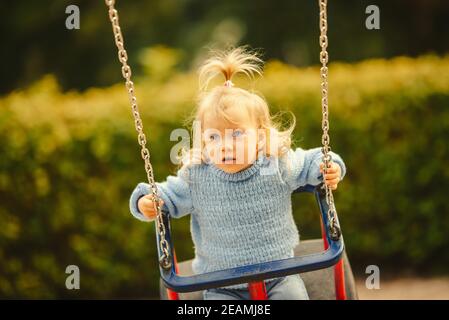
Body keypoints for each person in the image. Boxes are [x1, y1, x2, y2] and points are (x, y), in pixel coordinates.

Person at [129, 46, 346, 300]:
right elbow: (163, 194)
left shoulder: (275, 164)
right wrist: (146, 201)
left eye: (237, 134)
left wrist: (330, 167)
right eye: (213, 136)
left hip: (279, 276)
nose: (225, 145)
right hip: (222, 285)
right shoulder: (197, 177)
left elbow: (314, 160)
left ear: (260, 135)